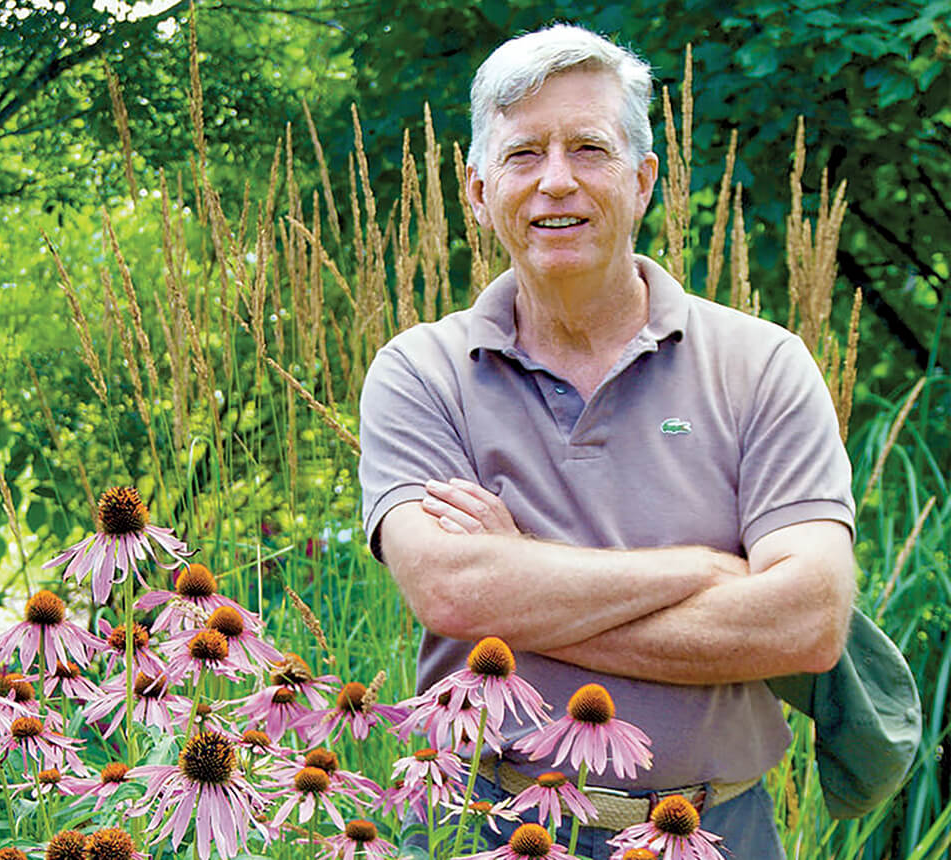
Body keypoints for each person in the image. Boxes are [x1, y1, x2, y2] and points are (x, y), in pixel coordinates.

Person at [358, 23, 856, 859]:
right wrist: (702, 573)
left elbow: (806, 623)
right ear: (478, 191)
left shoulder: (762, 364)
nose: (557, 182)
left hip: (713, 831)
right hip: (479, 823)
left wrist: (518, 585)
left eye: (589, 148)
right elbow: (449, 592)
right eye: (524, 155)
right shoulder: (421, 371)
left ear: (643, 180)